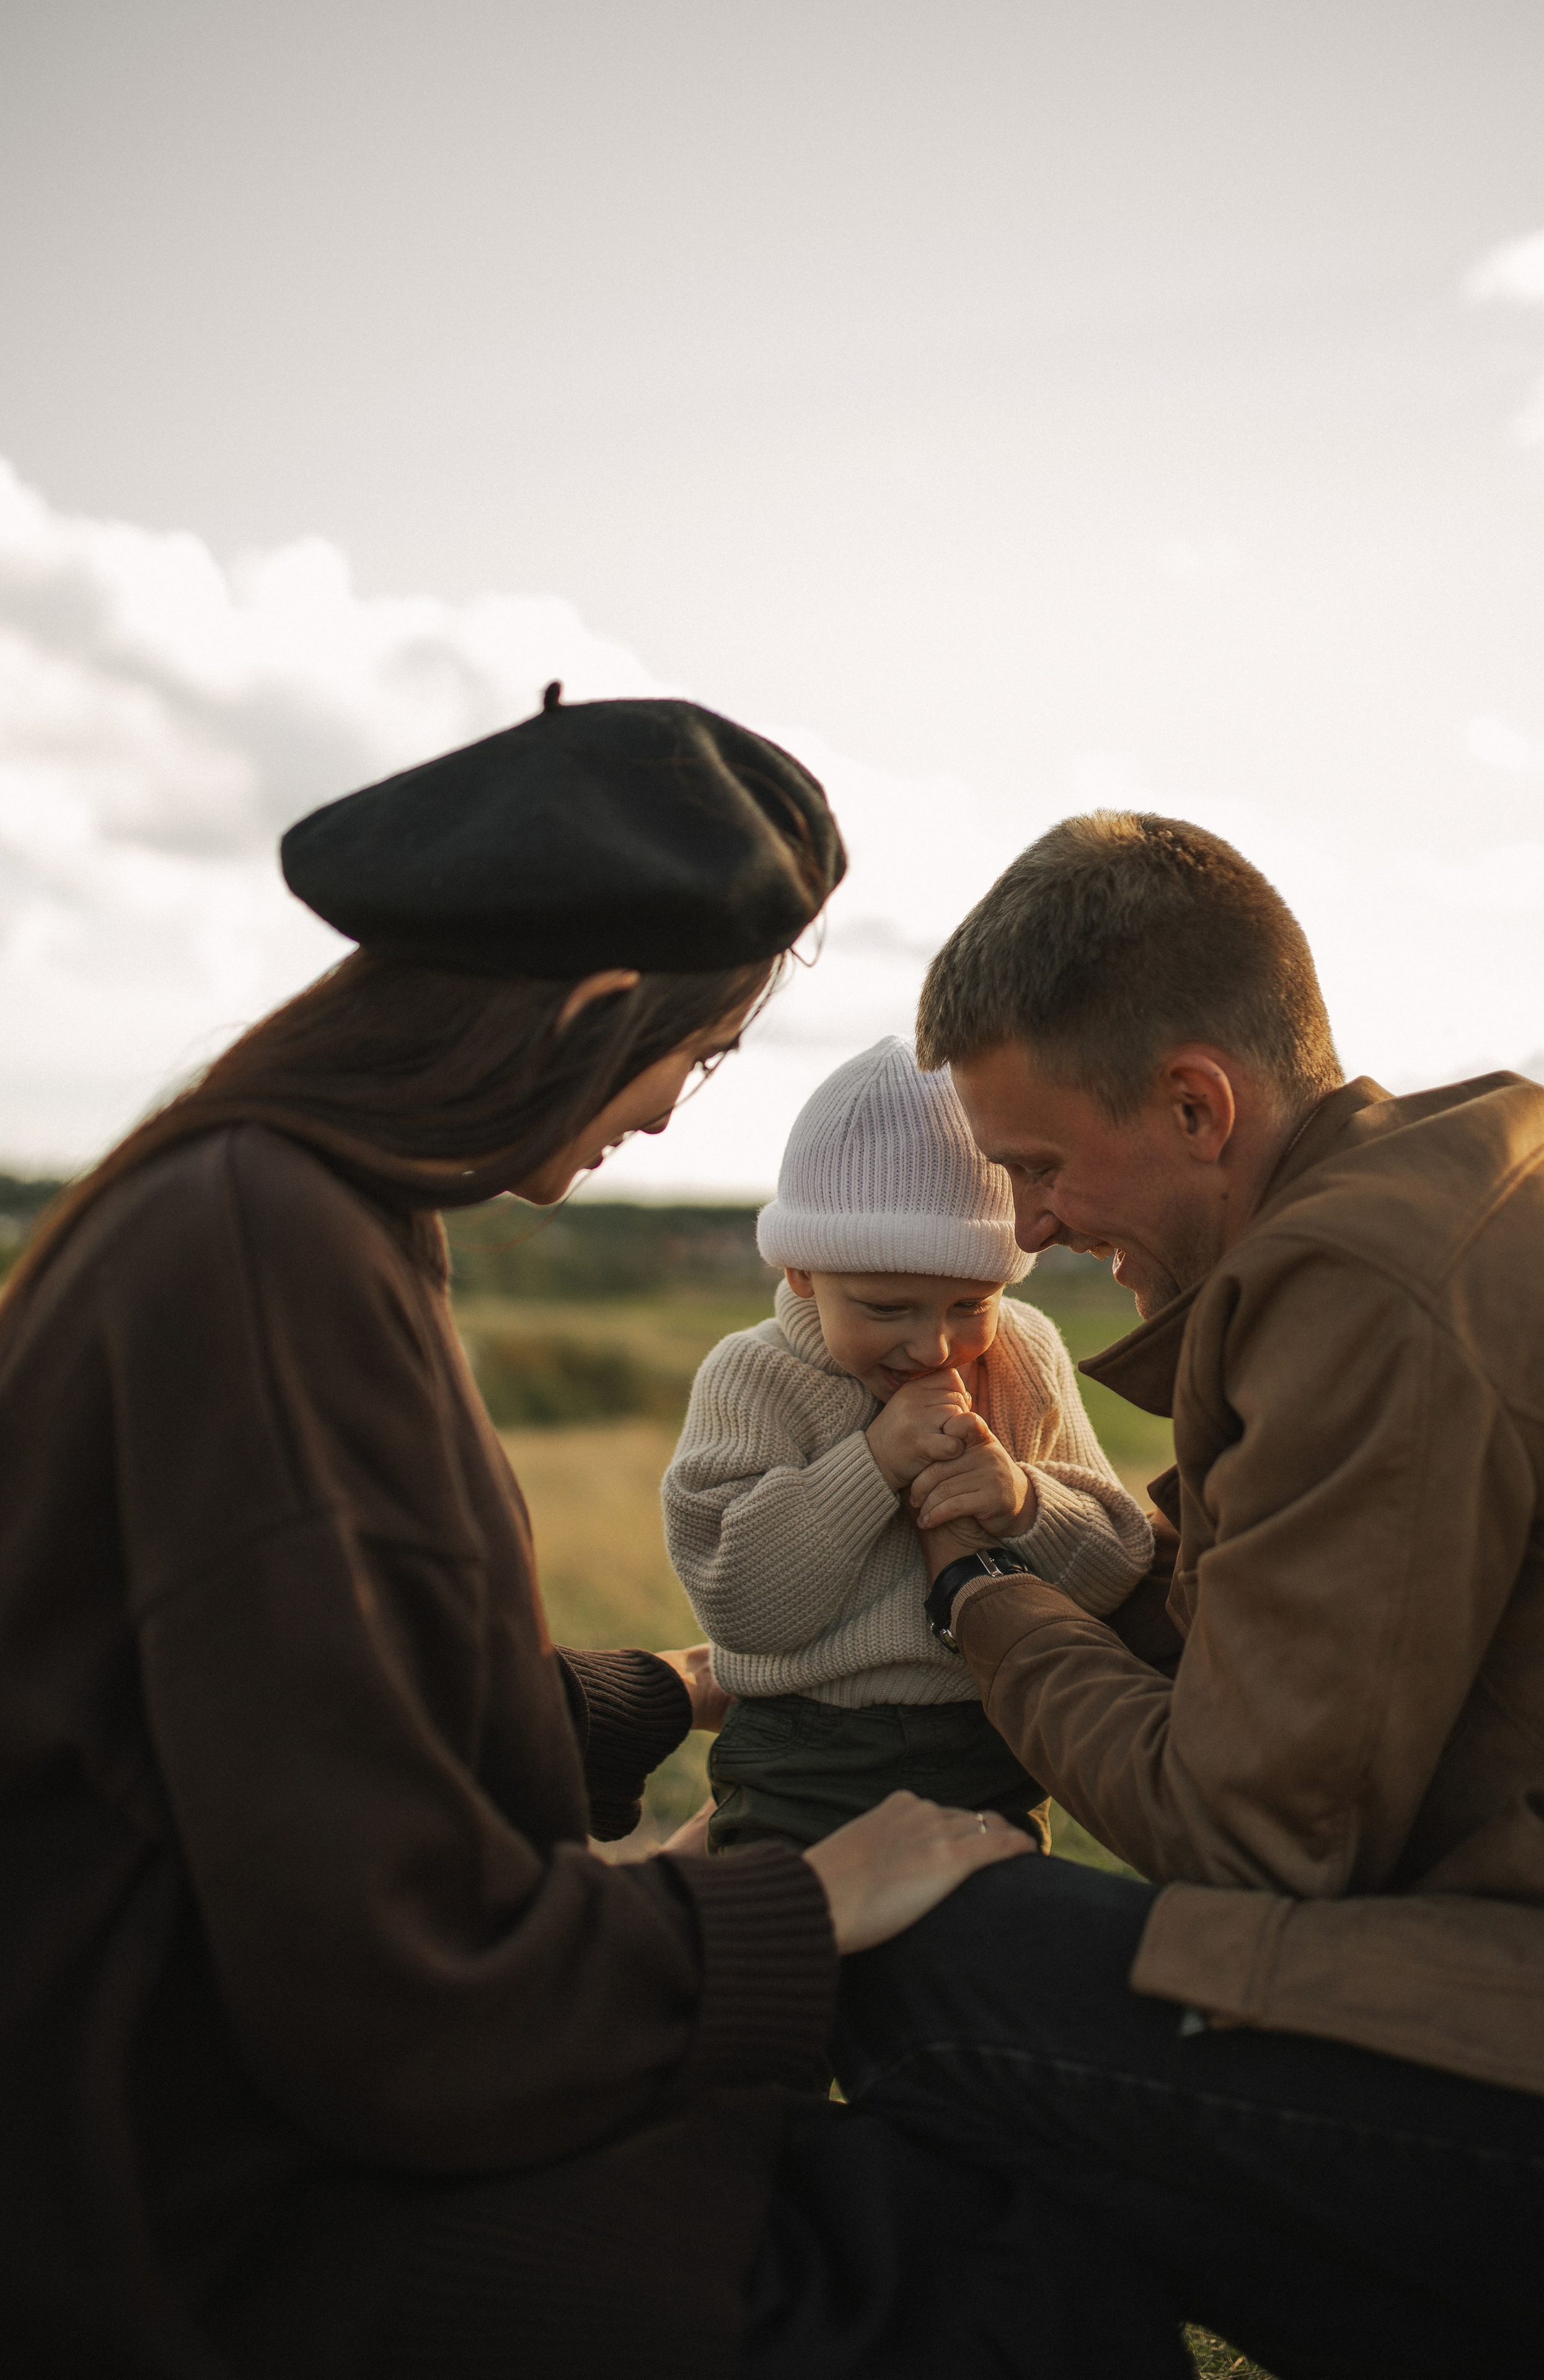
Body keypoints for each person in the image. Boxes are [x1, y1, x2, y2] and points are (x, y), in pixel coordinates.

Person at [0, 696, 1194, 2380]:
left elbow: (312, 1715)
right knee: (1002, 2277)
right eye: (696, 1057)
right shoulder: (260, 1261)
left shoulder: (304, 1205)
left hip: (248, 2110)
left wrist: (661, 1696)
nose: (669, 1111)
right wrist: (799, 1899)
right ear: (589, 1005)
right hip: (201, 2210)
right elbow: (386, 1987)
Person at [831, 809, 1544, 2376]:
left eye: (1037, 1168)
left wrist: (979, 1589)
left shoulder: (1363, 1288)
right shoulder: (1452, 1202)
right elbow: (1271, 1639)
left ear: (1192, 1103)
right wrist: (1070, 1544)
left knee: (929, 1970)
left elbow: (1255, 1836)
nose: (1028, 1227)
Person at [663, 1035, 1150, 1854]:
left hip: (989, 1747)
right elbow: (743, 1608)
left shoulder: (1022, 1355)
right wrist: (873, 1463)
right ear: (802, 1275)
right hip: (806, 1758)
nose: (934, 1347)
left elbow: (1113, 1570)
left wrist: (1024, 1501)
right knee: (802, 1961)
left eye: (970, 1303)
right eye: (888, 1309)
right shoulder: (754, 1377)